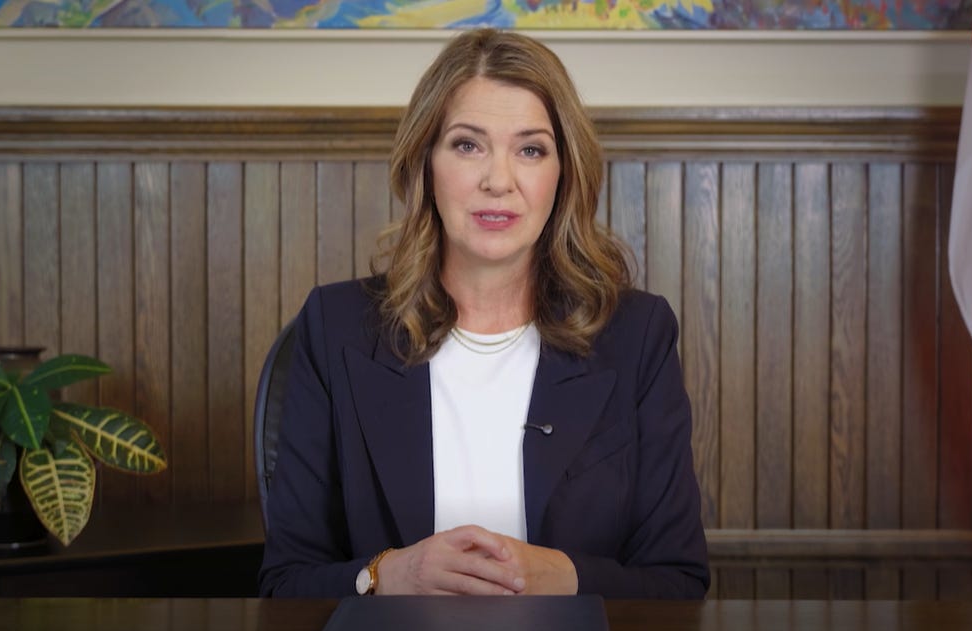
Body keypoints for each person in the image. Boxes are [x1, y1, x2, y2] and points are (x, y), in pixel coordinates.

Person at [258, 28, 709, 599]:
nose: (498, 181)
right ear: (426, 163)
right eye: (468, 145)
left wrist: (563, 577)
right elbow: (285, 585)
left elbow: (679, 583)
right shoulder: (336, 326)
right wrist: (388, 575)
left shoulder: (636, 336)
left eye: (530, 150)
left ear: (564, 173)